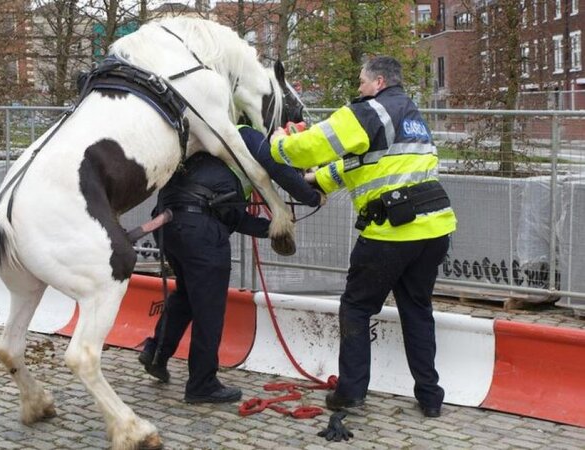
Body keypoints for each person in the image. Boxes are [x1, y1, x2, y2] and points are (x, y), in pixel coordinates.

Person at [269, 56, 457, 418]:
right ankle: (431, 397)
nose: (358, 88)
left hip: (391, 233)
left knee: (356, 307)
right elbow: (366, 163)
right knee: (417, 311)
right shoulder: (410, 115)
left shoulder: (371, 110)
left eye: (361, 82)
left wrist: (279, 145)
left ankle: (351, 392)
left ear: (379, 82)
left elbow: (314, 145)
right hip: (434, 230)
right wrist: (318, 180)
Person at [139, 125, 324, 404]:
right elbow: (281, 170)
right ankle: (202, 384)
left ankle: (156, 353)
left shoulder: (211, 144)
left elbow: (231, 216)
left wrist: (272, 228)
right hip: (200, 229)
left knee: (187, 296)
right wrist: (312, 197)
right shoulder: (245, 135)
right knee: (209, 310)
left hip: (169, 224)